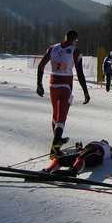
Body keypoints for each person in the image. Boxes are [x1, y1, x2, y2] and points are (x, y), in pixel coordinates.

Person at [37, 30, 90, 159]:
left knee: (55, 114)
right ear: (74, 39)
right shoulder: (75, 51)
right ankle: (54, 150)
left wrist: (39, 84)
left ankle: (58, 141)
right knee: (62, 117)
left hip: (53, 85)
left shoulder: (52, 48)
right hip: (65, 86)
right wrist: (86, 92)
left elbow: (41, 66)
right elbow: (80, 73)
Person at [43, 139, 112, 176]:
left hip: (96, 155)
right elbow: (79, 151)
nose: (103, 140)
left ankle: (73, 171)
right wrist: (79, 146)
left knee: (82, 157)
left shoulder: (109, 149)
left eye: (105, 141)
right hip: (85, 153)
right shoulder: (92, 143)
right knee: (59, 159)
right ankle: (48, 170)